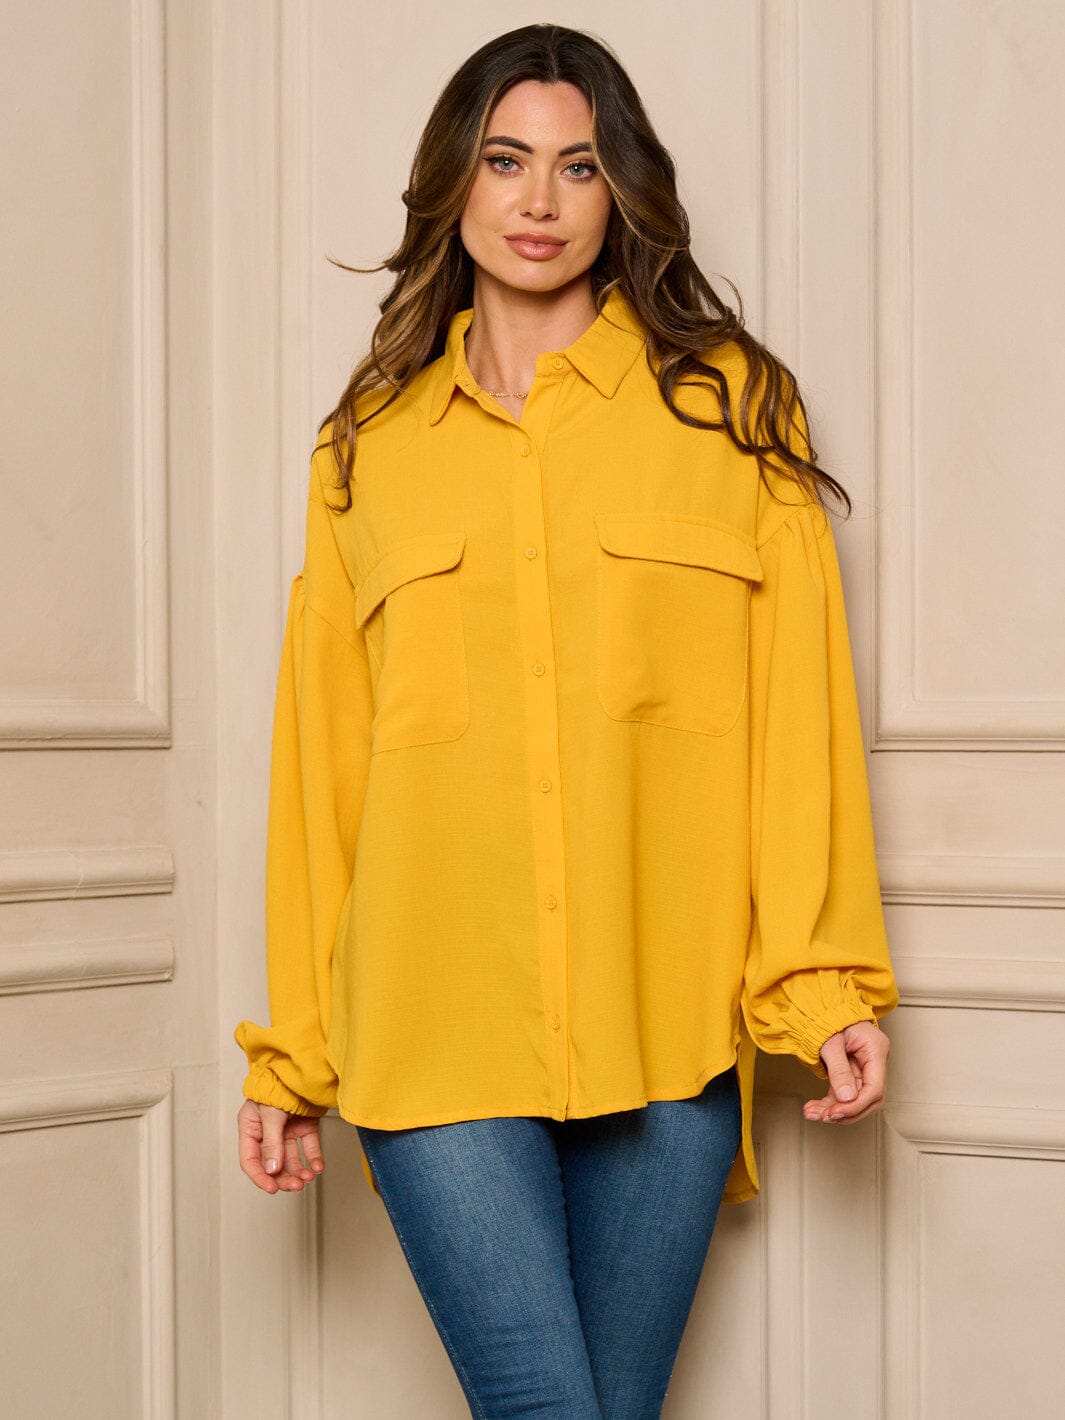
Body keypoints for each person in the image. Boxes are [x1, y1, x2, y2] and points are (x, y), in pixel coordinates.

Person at [234, 22, 900, 1418]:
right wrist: (296, 1052)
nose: (539, 201)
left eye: (579, 165)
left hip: (664, 1026)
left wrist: (822, 979)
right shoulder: (367, 454)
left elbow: (799, 721)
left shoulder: (730, 413)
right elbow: (323, 773)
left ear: (623, 190)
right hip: (432, 1025)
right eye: (505, 161)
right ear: (454, 183)